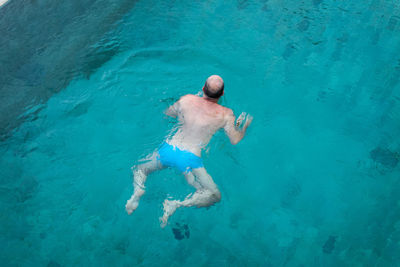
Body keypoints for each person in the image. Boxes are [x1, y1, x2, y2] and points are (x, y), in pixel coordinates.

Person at [125, 75, 253, 227]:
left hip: (168, 148)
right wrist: (243, 127)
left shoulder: (186, 99)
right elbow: (235, 140)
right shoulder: (226, 114)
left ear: (203, 88)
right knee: (214, 195)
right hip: (189, 159)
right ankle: (177, 204)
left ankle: (137, 191)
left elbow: (167, 114)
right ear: (223, 94)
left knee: (140, 169)